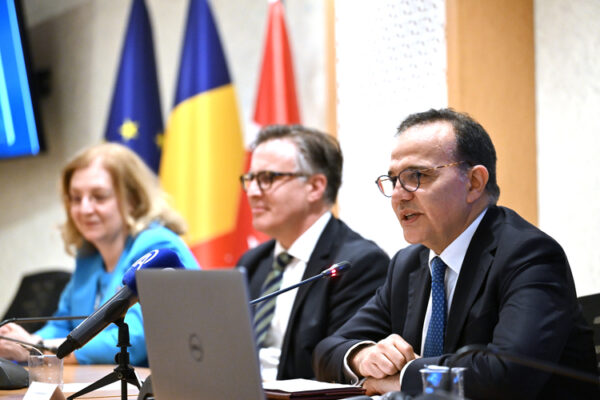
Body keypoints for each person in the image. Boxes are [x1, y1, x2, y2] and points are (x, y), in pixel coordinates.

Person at [313, 109, 599, 399]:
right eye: (394, 179)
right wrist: (363, 355)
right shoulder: (408, 264)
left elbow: (506, 375)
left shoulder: (528, 256)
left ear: (474, 182)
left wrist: (406, 377)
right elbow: (327, 350)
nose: (398, 195)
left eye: (416, 176)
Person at [0, 143, 200, 366]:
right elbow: (61, 326)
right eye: (76, 198)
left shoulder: (158, 248)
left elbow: (131, 342)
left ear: (133, 199)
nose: (85, 209)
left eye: (99, 196)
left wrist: (34, 348)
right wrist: (14, 341)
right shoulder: (89, 258)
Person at [237, 125, 389, 381]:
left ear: (315, 186)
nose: (252, 192)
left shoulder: (358, 264)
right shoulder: (253, 262)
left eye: (268, 178)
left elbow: (336, 367)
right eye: (250, 179)